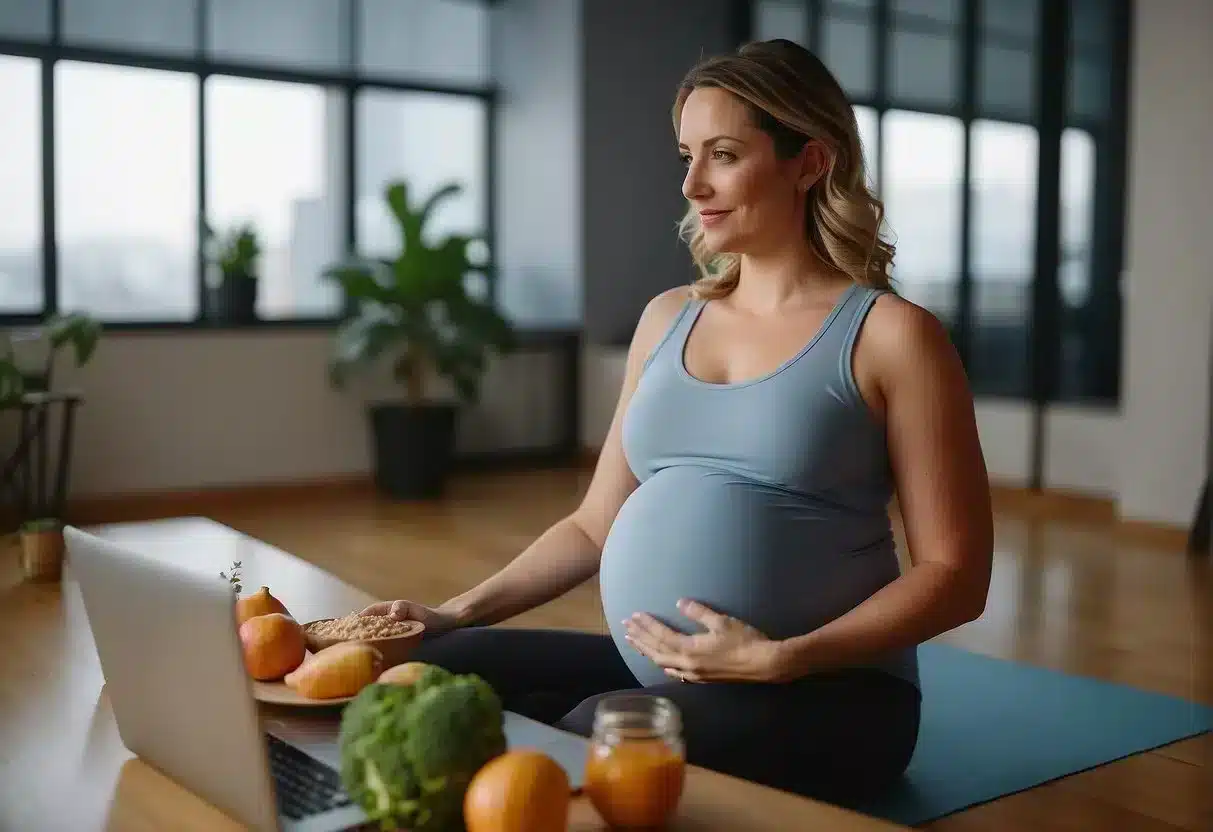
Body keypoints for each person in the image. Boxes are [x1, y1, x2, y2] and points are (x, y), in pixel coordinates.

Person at [360, 38, 993, 806]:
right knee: (449, 664)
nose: (692, 184)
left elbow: (955, 577)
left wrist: (786, 657)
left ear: (808, 162)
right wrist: (451, 610)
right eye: (686, 155)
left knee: (600, 731)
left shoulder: (892, 336)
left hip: (833, 694)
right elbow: (596, 525)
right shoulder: (667, 319)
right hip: (669, 671)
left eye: (722, 154)